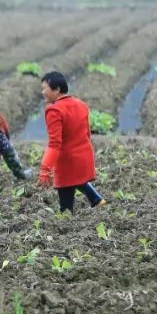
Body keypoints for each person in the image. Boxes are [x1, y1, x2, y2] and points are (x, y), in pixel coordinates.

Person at [35, 71, 108, 212]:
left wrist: (45, 169)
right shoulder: (81, 104)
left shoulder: (54, 110)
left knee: (66, 206)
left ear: (56, 89)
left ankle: (66, 222)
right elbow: (87, 133)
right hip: (84, 156)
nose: (42, 92)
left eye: (45, 88)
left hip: (68, 162)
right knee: (79, 180)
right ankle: (98, 200)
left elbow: (55, 143)